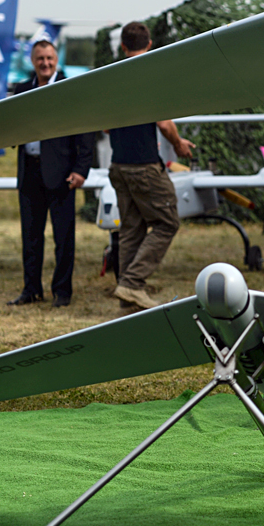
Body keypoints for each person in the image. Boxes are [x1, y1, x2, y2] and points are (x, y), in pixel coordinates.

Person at [108, 21, 194, 311]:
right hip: (144, 166)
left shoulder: (111, 77)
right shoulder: (150, 77)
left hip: (118, 165)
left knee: (131, 230)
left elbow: (106, 127)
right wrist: (179, 144)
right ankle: (132, 283)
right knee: (167, 222)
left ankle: (127, 298)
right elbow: (164, 123)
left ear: (123, 46)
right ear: (150, 45)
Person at [8, 40, 94, 308]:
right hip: (30, 172)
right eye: (40, 59)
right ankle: (31, 290)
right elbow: (11, 126)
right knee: (30, 238)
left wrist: (81, 170)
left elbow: (85, 131)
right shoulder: (21, 90)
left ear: (57, 60)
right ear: (33, 62)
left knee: (63, 238)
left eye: (49, 58)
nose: (45, 63)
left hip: (61, 175)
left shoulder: (71, 88)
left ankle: (62, 292)